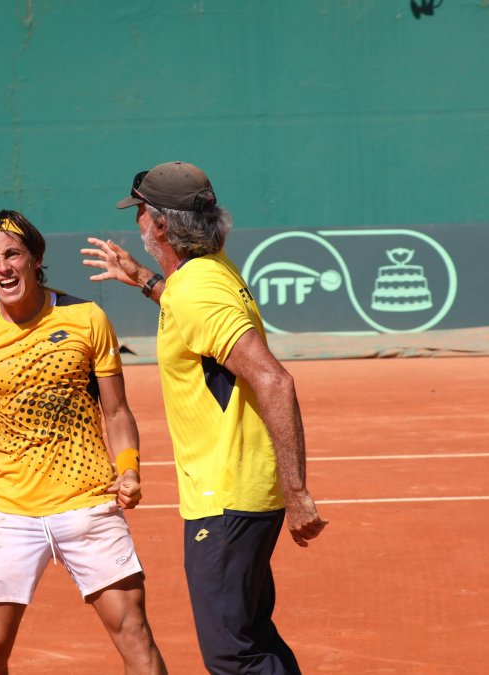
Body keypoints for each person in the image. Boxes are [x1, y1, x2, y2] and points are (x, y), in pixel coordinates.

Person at [0, 210, 168, 675]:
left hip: (88, 502)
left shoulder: (86, 318)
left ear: (36, 259)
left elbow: (116, 411)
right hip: (11, 512)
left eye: (12, 254)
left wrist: (130, 467)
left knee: (135, 637)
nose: (2, 267)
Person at [81, 161, 328, 674]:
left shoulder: (198, 289)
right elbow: (191, 310)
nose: (139, 224)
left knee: (232, 655)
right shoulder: (210, 271)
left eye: (141, 214)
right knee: (252, 637)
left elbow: (274, 380)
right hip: (243, 491)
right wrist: (144, 278)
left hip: (227, 497)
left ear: (161, 224)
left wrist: (299, 491)